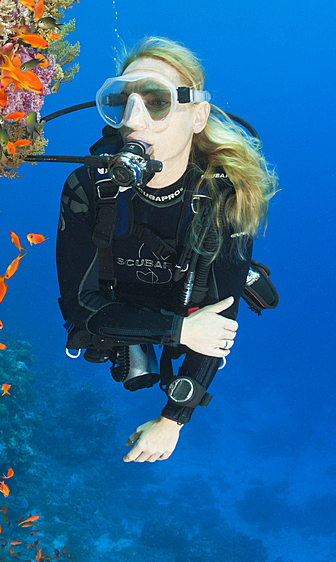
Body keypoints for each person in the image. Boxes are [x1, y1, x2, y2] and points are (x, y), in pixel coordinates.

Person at [56, 37, 277, 463]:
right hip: (127, 312)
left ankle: (241, 272)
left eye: (156, 101)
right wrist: (177, 332)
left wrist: (173, 420)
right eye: (122, 101)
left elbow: (218, 330)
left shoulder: (226, 198)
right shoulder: (87, 187)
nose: (134, 121)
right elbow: (79, 309)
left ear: (198, 116)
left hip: (188, 302)